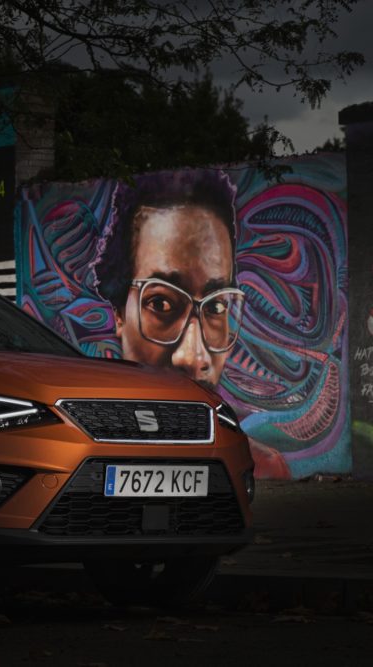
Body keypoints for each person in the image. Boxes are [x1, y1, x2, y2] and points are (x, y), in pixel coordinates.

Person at [92, 168, 290, 479]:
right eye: (161, 304)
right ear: (119, 312)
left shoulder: (258, 467)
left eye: (216, 306)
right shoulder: (85, 461)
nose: (192, 356)